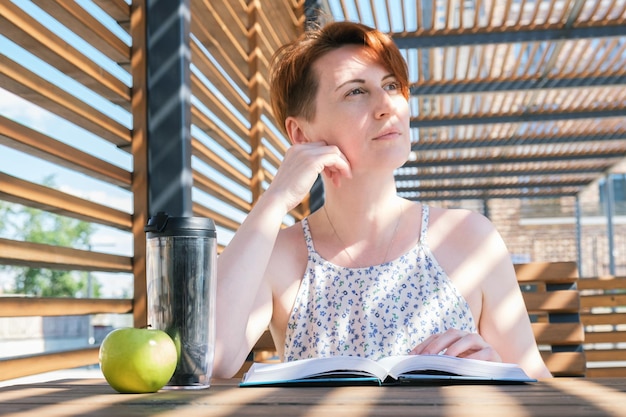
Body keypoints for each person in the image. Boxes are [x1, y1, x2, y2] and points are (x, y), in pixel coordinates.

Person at [213, 20, 552, 380]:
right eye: (355, 92)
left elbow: (540, 386)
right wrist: (275, 199)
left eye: (391, 86)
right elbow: (212, 359)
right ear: (301, 133)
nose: (387, 105)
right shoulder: (281, 255)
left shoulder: (471, 237)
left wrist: (498, 371)